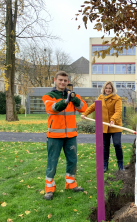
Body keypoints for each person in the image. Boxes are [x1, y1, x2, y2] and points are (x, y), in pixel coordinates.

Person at [42, 71, 87, 200]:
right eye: (60, 80)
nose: (62, 82)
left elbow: (83, 107)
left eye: (65, 80)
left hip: (71, 135)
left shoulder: (73, 95)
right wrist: (66, 101)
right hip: (54, 136)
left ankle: (71, 184)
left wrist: (74, 98)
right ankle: (49, 189)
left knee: (72, 161)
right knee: (52, 162)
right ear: (55, 80)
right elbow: (53, 108)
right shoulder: (48, 96)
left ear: (68, 82)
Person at [81, 81, 123, 172]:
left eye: (110, 88)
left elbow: (118, 111)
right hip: (104, 126)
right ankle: (105, 165)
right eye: (106, 88)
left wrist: (113, 120)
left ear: (112, 89)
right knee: (105, 146)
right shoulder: (101, 97)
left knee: (117, 144)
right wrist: (85, 114)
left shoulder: (117, 98)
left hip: (115, 125)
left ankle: (120, 165)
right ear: (104, 89)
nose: (108, 90)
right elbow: (93, 107)